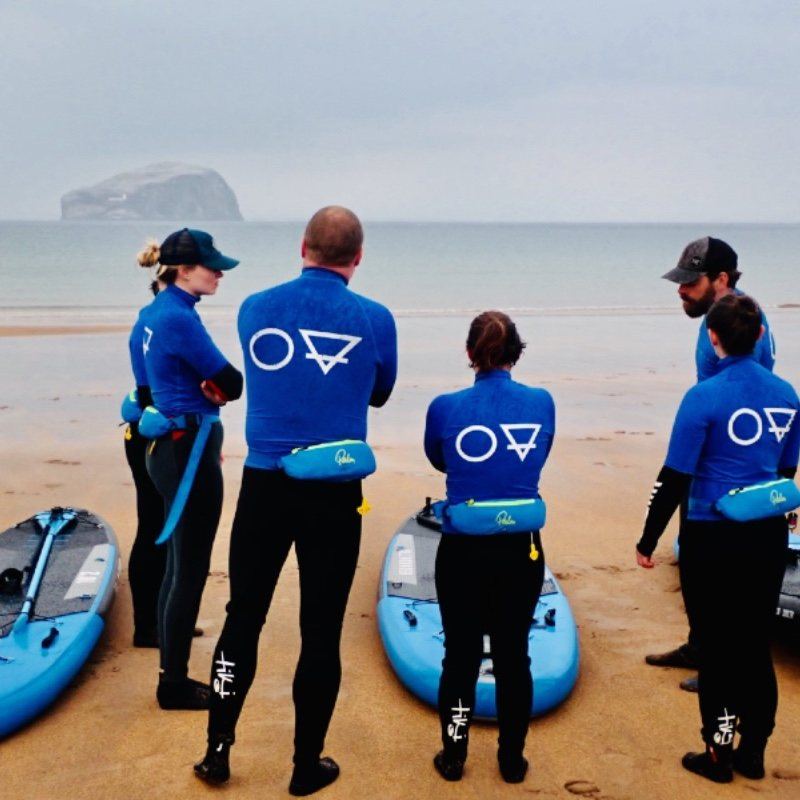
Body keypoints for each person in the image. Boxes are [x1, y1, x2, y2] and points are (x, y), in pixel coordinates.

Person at [195, 207, 397, 795]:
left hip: (264, 488)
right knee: (320, 630)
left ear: (302, 246)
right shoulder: (375, 318)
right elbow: (379, 393)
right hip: (333, 492)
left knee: (242, 617)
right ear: (358, 258)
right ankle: (305, 766)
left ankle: (216, 753)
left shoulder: (255, 307)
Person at [635, 294, 799, 783]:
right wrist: (783, 509)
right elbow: (785, 468)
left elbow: (675, 477)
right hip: (765, 535)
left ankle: (717, 756)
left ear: (714, 338)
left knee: (718, 648)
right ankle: (752, 752)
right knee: (752, 644)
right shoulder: (787, 393)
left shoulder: (703, 396)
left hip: (711, 538)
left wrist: (647, 540)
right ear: (761, 337)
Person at [423, 311, 555, 784]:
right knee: (513, 653)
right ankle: (511, 760)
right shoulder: (542, 403)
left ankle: (454, 756)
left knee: (458, 655)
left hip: (462, 549)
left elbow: (439, 457)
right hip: (520, 548)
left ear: (469, 353)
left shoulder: (444, 406)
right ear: (517, 352)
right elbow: (540, 453)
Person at [646, 236, 777, 692]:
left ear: (721, 279)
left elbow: (755, 396)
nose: (681, 290)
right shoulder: (720, 321)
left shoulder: (748, 325)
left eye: (690, 282)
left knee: (716, 575)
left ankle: (720, 662)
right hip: (706, 463)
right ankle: (702, 646)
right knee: (695, 566)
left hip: (728, 473)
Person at [136, 228, 243, 710]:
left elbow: (143, 393)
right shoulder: (180, 317)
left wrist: (197, 393)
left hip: (166, 449)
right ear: (183, 270)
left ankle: (167, 659)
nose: (219, 273)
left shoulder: (148, 316)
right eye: (211, 266)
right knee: (191, 567)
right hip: (188, 450)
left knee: (178, 562)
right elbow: (232, 382)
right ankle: (173, 683)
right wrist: (211, 390)